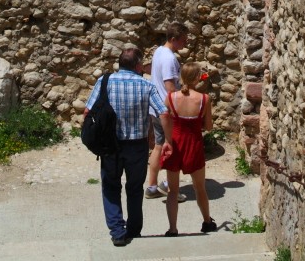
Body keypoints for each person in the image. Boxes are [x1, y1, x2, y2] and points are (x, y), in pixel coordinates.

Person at [85, 48, 172, 247]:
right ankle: (134, 229)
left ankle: (117, 231)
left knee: (111, 186)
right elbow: (163, 113)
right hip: (137, 146)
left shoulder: (104, 82)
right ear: (138, 65)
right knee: (134, 188)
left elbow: (88, 110)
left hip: (111, 145)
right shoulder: (146, 85)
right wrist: (169, 140)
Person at [162, 62, 216, 235]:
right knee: (199, 187)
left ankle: (172, 228)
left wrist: (166, 140)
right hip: (193, 143)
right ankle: (207, 222)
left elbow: (166, 120)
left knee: (172, 190)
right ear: (198, 77)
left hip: (175, 142)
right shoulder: (204, 99)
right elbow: (208, 127)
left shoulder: (170, 97)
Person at [146, 22, 189, 200]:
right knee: (173, 148)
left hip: (155, 107)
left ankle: (151, 186)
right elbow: (170, 87)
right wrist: (185, 93)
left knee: (158, 146)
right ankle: (171, 188)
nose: (185, 44)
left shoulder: (158, 51)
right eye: (183, 41)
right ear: (173, 39)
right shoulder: (170, 59)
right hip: (168, 110)